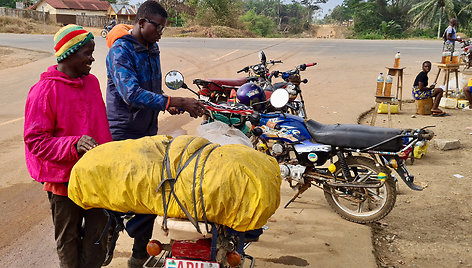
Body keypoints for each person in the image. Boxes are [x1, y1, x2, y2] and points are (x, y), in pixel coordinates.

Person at [105, 1, 205, 267]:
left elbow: (153, 91)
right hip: (123, 132)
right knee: (122, 196)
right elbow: (131, 94)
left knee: (151, 194)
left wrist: (167, 103)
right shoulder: (121, 51)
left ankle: (138, 257)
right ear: (140, 23)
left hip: (148, 129)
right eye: (157, 27)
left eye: (163, 28)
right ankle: (106, 239)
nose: (161, 32)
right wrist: (175, 102)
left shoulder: (153, 48)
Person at [24, 25, 113, 267]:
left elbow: (100, 128)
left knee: (98, 239)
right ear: (69, 54)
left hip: (95, 178)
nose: (92, 58)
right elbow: (35, 141)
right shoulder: (44, 91)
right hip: (64, 181)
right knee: (68, 240)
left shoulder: (92, 83)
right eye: (87, 52)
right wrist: (74, 144)